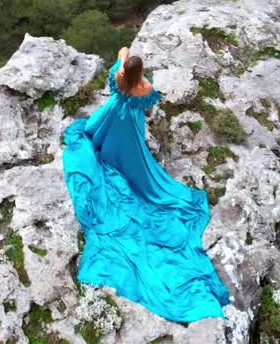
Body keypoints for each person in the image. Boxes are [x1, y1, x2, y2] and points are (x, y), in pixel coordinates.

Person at [61, 46, 231, 322]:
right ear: (140, 73)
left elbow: (121, 52)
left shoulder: (118, 78)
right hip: (130, 124)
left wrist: (124, 58)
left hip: (113, 115)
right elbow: (149, 104)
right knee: (134, 155)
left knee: (97, 140)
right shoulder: (145, 86)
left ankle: (109, 157)